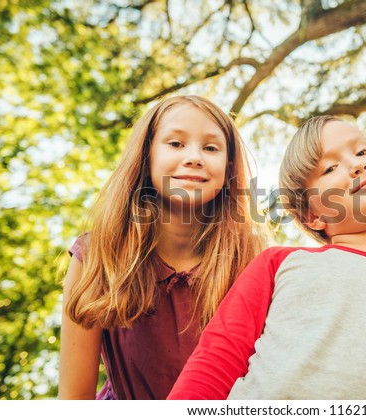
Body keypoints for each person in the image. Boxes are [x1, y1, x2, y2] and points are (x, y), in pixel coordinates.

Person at [167, 115, 366, 400]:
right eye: (330, 168)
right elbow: (214, 365)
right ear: (312, 215)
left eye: (363, 150)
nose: (357, 164)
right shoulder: (280, 265)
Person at [58, 95, 264, 399]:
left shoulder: (251, 262)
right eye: (176, 144)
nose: (194, 157)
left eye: (210, 147)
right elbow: (74, 401)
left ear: (229, 166)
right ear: (147, 155)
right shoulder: (98, 256)